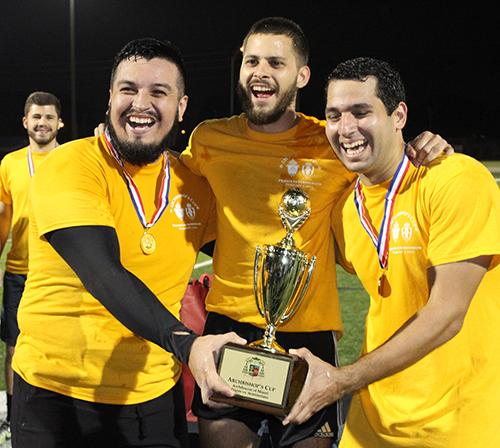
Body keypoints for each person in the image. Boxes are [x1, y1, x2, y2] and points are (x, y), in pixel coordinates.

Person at [180, 18, 452, 448]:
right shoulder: (209, 139)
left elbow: (385, 164)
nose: (260, 71)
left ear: (301, 75)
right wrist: (114, 141)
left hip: (309, 339)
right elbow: (160, 178)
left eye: (276, 62)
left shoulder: (332, 142)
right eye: (251, 61)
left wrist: (427, 145)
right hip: (229, 330)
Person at [11, 38, 245, 448]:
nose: (141, 103)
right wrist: (186, 343)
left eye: (159, 92)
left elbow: (242, 256)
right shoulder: (70, 165)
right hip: (57, 397)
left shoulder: (195, 184)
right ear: (110, 98)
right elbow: (104, 274)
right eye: (128, 89)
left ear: (182, 106)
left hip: (154, 394)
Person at [284, 57, 500, 447]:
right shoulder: (343, 209)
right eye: (333, 115)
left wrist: (343, 380)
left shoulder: (455, 180)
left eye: (361, 112)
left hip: (456, 426)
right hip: (372, 423)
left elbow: (448, 314)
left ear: (399, 115)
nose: (345, 128)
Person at [0, 91, 62, 445]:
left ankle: (52, 413)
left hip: (58, 273)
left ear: (58, 122)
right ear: (26, 122)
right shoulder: (9, 163)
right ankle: (13, 416)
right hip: (19, 271)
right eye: (36, 117)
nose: (42, 123)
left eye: (49, 117)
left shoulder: (71, 157)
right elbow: (4, 215)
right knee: (13, 347)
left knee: (55, 347)